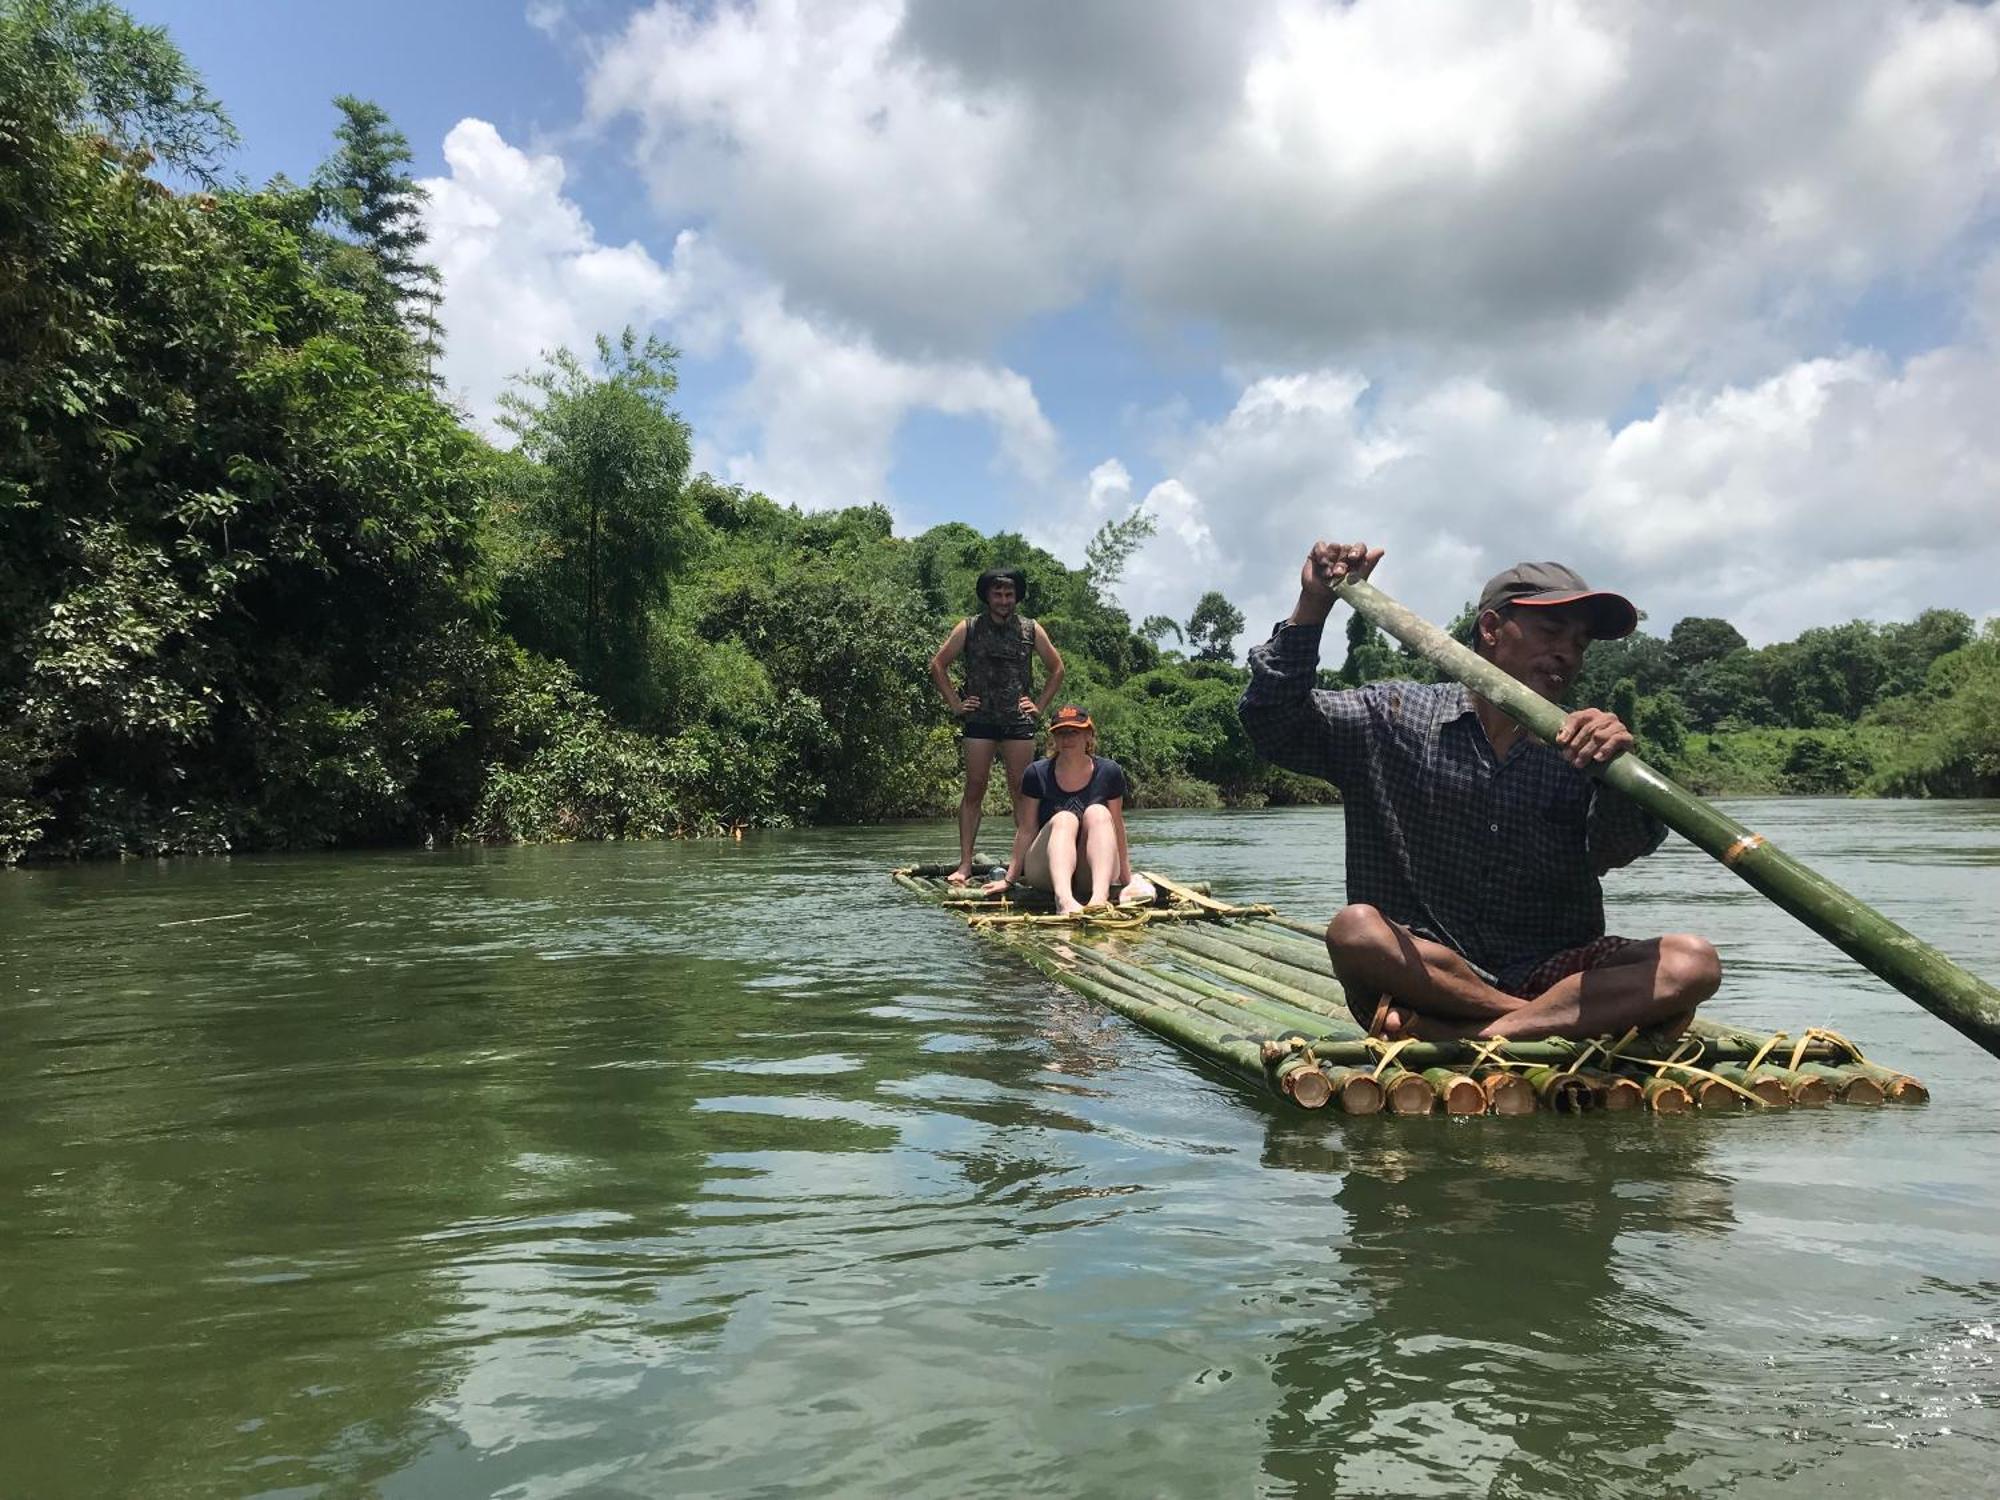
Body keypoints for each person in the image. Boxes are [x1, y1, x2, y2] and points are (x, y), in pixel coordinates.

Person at [1238, 541, 1721, 1042]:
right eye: (1552, 631)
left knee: (1692, 962)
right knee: (1355, 931)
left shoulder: (1583, 746)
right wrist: (1314, 604)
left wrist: (1616, 769)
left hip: (1555, 973)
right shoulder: (1394, 716)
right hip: (1424, 975)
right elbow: (1274, 724)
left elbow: (1617, 850)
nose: (1567, 653)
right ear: (1491, 630)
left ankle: (1478, 1032)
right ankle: (1534, 1021)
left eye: (1579, 643)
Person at [928, 566, 1065, 885]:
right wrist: (956, 704)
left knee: (1022, 792)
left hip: (1018, 721)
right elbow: (938, 664)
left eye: (1009, 594)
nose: (1004, 600)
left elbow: (1057, 669)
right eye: (998, 594)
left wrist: (1039, 706)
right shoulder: (969, 627)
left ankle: (1026, 865)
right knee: (975, 788)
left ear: (1016, 597)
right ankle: (964, 864)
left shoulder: (1031, 629)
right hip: (979, 720)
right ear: (987, 596)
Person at [985, 704, 1156, 914]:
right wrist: (1009, 880)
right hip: (1046, 871)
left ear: (1089, 735)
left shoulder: (1110, 772)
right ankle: (1064, 900)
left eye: (1074, 732)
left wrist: (1126, 879)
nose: (1067, 739)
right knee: (1065, 818)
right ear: (1053, 739)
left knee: (1098, 813)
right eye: (1061, 733)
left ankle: (1099, 899)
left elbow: (1117, 827)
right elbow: (1027, 829)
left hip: (1091, 873)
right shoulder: (1036, 773)